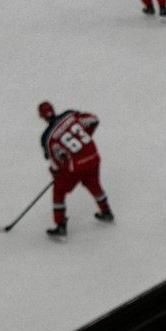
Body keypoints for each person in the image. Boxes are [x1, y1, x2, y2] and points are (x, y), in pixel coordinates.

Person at [38, 102, 114, 238]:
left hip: (76, 166)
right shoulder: (70, 115)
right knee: (93, 183)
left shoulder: (47, 138)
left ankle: (60, 225)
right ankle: (106, 211)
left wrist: (56, 172)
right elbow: (93, 120)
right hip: (93, 156)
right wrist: (86, 137)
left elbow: (55, 162)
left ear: (41, 116)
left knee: (59, 190)